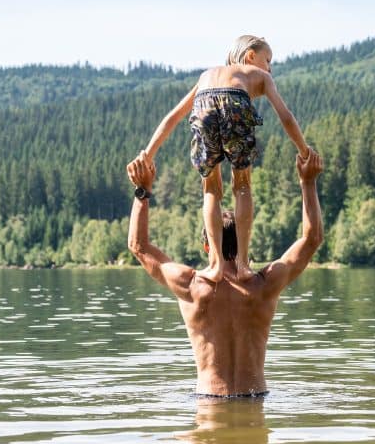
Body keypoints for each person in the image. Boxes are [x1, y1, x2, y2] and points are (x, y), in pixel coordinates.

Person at [125, 150, 324, 397]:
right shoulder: (264, 285)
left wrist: (142, 190)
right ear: (244, 239)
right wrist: (308, 182)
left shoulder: (191, 287)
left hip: (209, 402)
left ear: (206, 245)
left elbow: (139, 246)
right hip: (254, 400)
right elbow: (312, 239)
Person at [130, 35, 312, 284]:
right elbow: (286, 116)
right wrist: (304, 151)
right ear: (250, 56)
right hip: (235, 101)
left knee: (211, 188)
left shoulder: (207, 75)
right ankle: (242, 265)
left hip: (203, 104)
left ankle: (215, 265)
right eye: (268, 60)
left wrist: (147, 155)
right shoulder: (260, 76)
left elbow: (173, 117)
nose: (270, 68)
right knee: (243, 186)